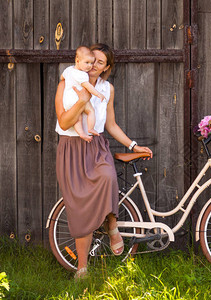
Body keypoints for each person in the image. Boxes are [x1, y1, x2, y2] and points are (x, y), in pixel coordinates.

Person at [55, 43, 153, 279]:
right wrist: (81, 101)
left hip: (96, 147)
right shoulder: (67, 80)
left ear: (106, 67)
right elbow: (65, 122)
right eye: (92, 60)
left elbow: (110, 125)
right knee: (80, 207)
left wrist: (132, 145)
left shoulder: (107, 88)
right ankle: (82, 269)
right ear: (83, 61)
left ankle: (112, 226)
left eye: (100, 62)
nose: (93, 66)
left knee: (109, 177)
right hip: (70, 148)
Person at [60, 46, 106, 142]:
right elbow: (88, 87)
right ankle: (90, 128)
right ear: (77, 60)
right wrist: (98, 94)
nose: (91, 66)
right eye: (87, 63)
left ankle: (81, 133)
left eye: (91, 63)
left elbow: (62, 77)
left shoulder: (69, 70)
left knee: (77, 118)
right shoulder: (82, 74)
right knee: (91, 111)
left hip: (68, 100)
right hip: (77, 98)